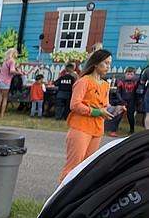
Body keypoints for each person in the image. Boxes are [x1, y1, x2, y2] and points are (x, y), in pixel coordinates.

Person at [59, 49, 122, 181]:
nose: (108, 66)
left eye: (109, 63)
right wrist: (97, 112)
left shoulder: (105, 85)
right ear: (96, 63)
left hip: (96, 129)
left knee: (87, 166)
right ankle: (61, 195)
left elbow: (104, 105)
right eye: (105, 63)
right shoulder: (84, 81)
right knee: (73, 165)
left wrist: (114, 109)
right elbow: (75, 104)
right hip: (81, 127)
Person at [109, 67, 139, 136]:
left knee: (130, 116)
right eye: (128, 74)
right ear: (125, 74)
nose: (129, 76)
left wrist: (137, 103)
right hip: (122, 100)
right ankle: (113, 130)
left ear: (134, 75)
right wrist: (121, 100)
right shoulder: (121, 81)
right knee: (118, 116)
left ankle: (132, 130)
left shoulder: (135, 82)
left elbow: (136, 93)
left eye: (131, 74)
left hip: (131, 101)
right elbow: (118, 92)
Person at [0, 47, 20, 118]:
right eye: (16, 52)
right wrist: (19, 73)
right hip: (5, 81)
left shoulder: (6, 61)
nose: (17, 54)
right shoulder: (12, 61)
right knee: (5, 98)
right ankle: (2, 115)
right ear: (13, 53)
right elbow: (12, 71)